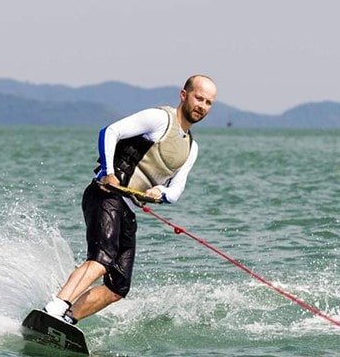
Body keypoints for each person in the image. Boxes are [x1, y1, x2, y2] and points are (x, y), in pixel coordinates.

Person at [43, 74, 217, 324]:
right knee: (102, 259)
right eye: (198, 98)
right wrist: (108, 173)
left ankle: (67, 321)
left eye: (208, 102)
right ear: (184, 95)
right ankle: (54, 309)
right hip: (106, 195)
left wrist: (161, 193)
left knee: (118, 287)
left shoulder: (191, 148)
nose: (202, 106)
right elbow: (110, 132)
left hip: (127, 209)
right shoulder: (159, 119)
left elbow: (176, 190)